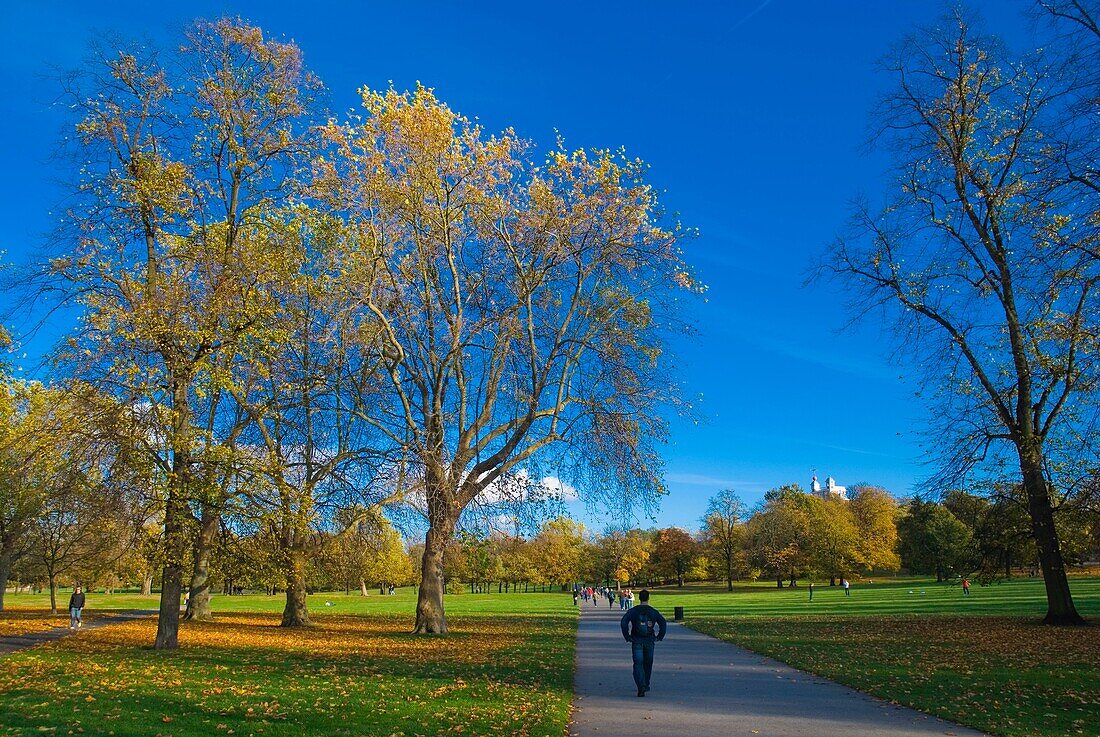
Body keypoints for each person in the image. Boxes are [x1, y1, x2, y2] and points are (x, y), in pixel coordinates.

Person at [620, 589, 667, 697]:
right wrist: (659, 636)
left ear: (639, 598)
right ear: (648, 598)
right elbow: (663, 623)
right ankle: (646, 684)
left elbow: (624, 622)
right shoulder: (653, 611)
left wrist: (627, 636)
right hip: (649, 640)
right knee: (648, 663)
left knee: (638, 663)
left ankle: (640, 685)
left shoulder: (633, 611)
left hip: (636, 640)